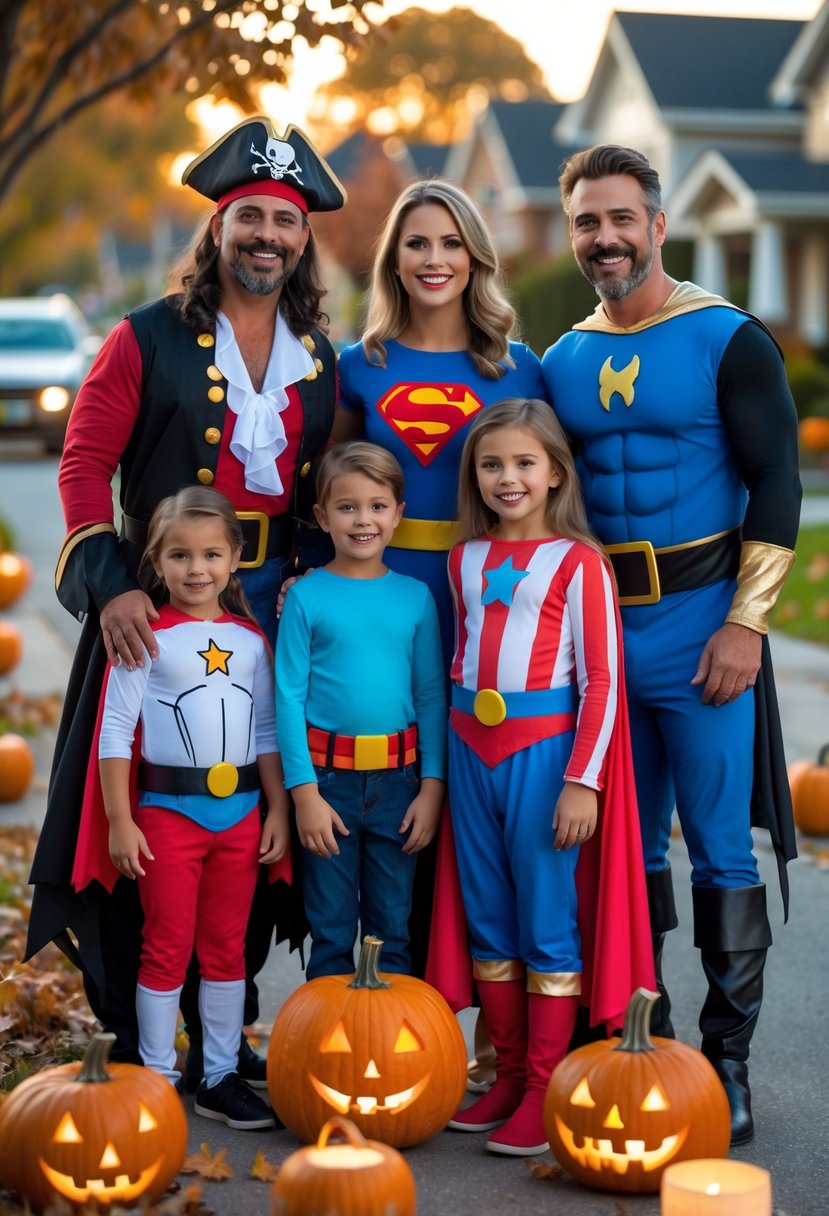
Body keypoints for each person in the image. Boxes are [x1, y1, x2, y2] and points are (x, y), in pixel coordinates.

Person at [25, 116, 345, 1082]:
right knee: (146, 828)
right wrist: (113, 588)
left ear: (303, 240)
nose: (266, 238)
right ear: (216, 230)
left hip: (272, 612)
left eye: (284, 224)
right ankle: (142, 1042)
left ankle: (224, 1040)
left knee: (249, 829)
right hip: (153, 610)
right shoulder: (144, 338)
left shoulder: (320, 360)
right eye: (248, 217)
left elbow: (324, 489)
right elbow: (83, 463)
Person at [541, 144, 802, 1146]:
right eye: (585, 222)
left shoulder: (728, 339)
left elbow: (777, 481)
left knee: (719, 848)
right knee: (622, 844)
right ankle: (631, 1035)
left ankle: (725, 1064)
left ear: (657, 223)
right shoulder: (559, 357)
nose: (602, 237)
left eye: (620, 218)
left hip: (702, 626)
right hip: (601, 632)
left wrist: (747, 620)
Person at [332, 178, 545, 1083]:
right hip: (384, 600)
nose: (433, 260)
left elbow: (541, 485)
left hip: (482, 597)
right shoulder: (360, 364)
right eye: (415, 243)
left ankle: (499, 1035)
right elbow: (336, 487)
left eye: (450, 243)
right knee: (391, 806)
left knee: (477, 811)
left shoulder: (517, 369)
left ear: (475, 258)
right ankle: (387, 1019)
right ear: (393, 259)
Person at [444, 398, 654, 1157]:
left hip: (544, 754)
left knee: (545, 921)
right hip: (469, 749)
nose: (507, 478)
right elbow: (458, 658)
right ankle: (502, 1071)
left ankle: (544, 1084)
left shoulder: (579, 562)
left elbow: (602, 680)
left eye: (523, 463)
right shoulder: (461, 558)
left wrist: (581, 781)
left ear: (554, 472)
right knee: (488, 920)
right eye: (491, 463)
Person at [99, 487, 286, 1128]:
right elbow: (116, 730)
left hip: (239, 816)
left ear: (236, 558)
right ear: (157, 561)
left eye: (211, 554)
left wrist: (279, 812)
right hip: (165, 817)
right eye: (180, 555)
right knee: (167, 945)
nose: (197, 569)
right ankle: (155, 1074)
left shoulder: (251, 641)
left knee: (227, 949)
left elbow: (265, 732)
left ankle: (218, 1075)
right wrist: (121, 821)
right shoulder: (146, 637)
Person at [275, 442, 446, 979]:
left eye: (377, 505)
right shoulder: (306, 597)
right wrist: (303, 794)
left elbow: (432, 698)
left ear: (398, 514)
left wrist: (432, 787)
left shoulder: (416, 597)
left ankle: (391, 1054)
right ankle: (326, 1047)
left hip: (400, 783)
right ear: (323, 517)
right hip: (327, 784)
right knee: (329, 928)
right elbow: (287, 698)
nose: (363, 519)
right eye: (346, 507)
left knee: (392, 927)